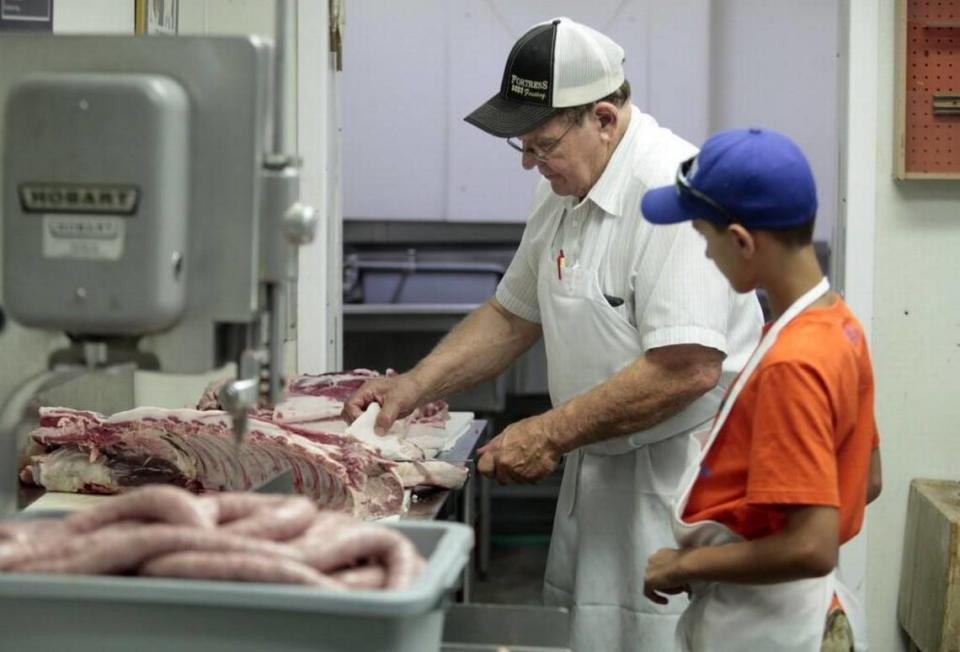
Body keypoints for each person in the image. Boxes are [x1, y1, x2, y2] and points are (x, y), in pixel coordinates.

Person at [343, 17, 762, 651]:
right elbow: (513, 313)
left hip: (677, 488)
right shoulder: (565, 189)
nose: (529, 165)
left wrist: (546, 432)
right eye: (523, 147)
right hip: (600, 474)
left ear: (604, 118)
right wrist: (414, 384)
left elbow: (686, 366)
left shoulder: (679, 192)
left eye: (541, 145)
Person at [639, 127, 883, 652]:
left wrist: (687, 562)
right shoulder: (838, 325)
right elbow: (867, 480)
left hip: (768, 628)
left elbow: (811, 547)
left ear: (743, 241)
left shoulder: (792, 365)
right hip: (807, 608)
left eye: (705, 237)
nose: (706, 255)